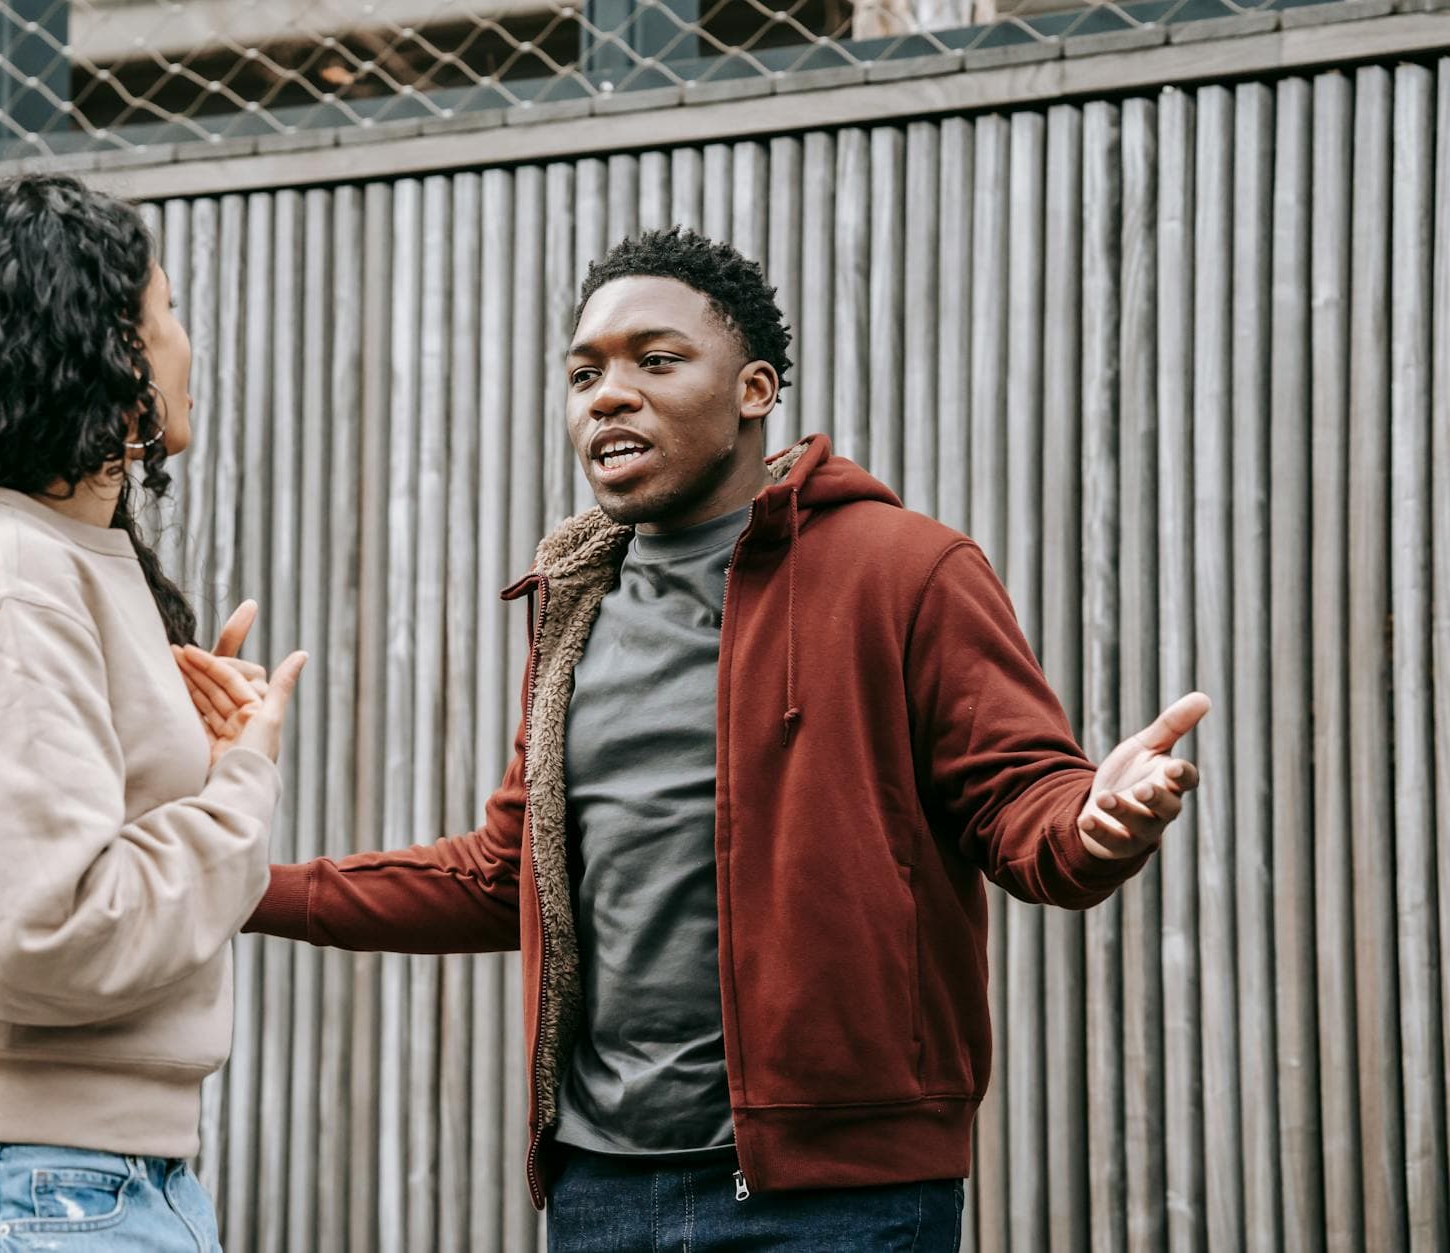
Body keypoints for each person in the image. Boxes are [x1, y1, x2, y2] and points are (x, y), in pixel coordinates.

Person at [243, 228, 1206, 1252]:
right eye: (583, 372)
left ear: (753, 388)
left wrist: (1095, 819)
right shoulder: (575, 608)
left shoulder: (902, 570)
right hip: (600, 1190)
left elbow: (1023, 804)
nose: (606, 395)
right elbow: (503, 875)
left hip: (839, 1197)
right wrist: (236, 888)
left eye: (654, 360)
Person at [0, 172, 303, 1251]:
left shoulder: (58, 565)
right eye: (164, 311)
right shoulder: (13, 574)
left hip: (77, 1185)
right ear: (102, 349)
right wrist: (240, 783)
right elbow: (46, 938)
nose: (184, 344)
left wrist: (193, 750)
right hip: (40, 1190)